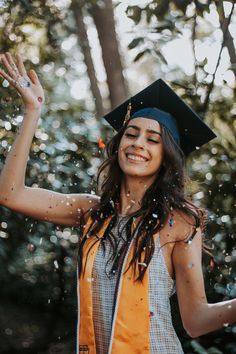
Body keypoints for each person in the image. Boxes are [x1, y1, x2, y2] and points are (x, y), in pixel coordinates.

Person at [0, 52, 235, 354]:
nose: (138, 143)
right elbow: (10, 193)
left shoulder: (180, 222)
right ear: (119, 145)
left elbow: (196, 320)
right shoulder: (90, 212)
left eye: (153, 139)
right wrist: (32, 111)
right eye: (131, 134)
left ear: (167, 158)